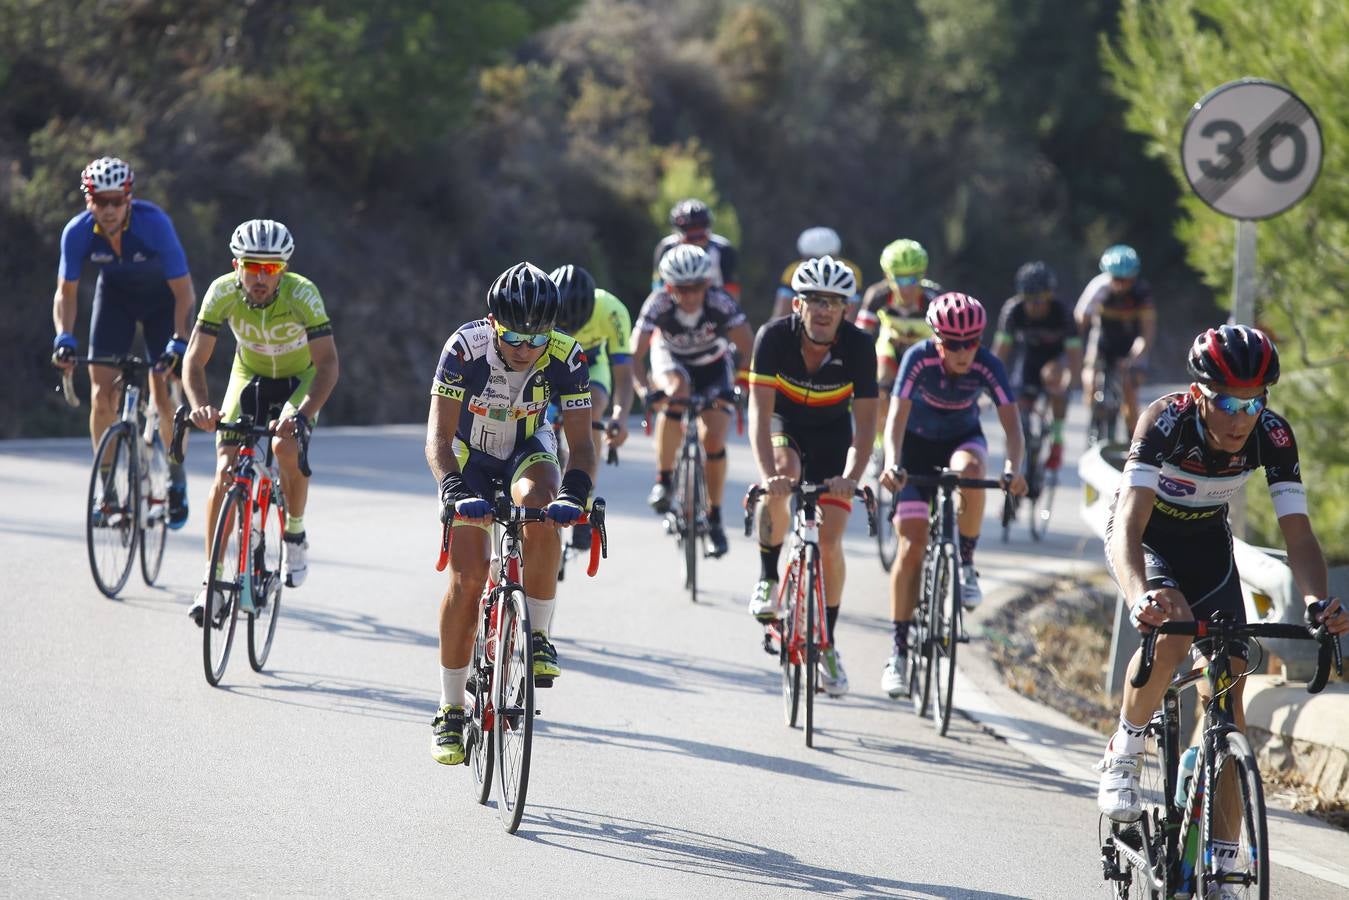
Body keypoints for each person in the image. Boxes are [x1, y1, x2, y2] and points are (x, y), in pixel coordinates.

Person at [1095, 326, 1348, 840]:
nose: (1241, 418)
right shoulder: (1165, 421)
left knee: (1230, 690)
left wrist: (1317, 601)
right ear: (1198, 394)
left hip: (1207, 546)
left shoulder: (1271, 434)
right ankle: (1126, 746)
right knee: (1174, 631)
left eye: (1254, 402)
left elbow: (1298, 536)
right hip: (1147, 539)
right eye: (1228, 402)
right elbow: (1129, 524)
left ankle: (1227, 856)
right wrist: (1139, 596)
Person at [426, 262, 597, 766]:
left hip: (527, 448)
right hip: (468, 456)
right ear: (492, 322)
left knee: (542, 509)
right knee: (469, 576)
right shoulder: (465, 348)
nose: (525, 348)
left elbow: (583, 446)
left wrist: (576, 494)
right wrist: (453, 489)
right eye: (514, 337)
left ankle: (538, 635)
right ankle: (450, 709)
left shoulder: (567, 354)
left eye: (537, 338)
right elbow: (438, 439)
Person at [183, 220, 340, 623]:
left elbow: (327, 365)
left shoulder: (303, 294)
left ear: (283, 269)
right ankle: (212, 580)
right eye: (252, 266)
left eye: (270, 268)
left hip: (298, 381)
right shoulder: (222, 292)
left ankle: (295, 532)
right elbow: (194, 361)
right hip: (249, 376)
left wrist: (301, 415)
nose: (260, 277)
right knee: (225, 470)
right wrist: (201, 407)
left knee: (284, 447)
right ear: (236, 265)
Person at [877, 293, 1027, 696]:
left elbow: (1013, 427)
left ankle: (965, 562)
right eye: (953, 343)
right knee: (911, 546)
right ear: (936, 339)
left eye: (971, 342)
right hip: (915, 447)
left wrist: (1013, 469)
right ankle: (898, 653)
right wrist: (892, 463)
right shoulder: (918, 358)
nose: (963, 352)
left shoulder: (988, 364)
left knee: (973, 472)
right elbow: (895, 419)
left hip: (962, 440)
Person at [747, 256, 878, 697]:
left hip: (833, 436)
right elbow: (759, 416)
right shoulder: (772, 338)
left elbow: (866, 428)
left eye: (834, 302)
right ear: (797, 304)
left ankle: (828, 644)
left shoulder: (859, 347)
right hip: (784, 426)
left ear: (846, 309)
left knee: (832, 540)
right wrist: (768, 475)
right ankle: (768, 577)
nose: (824, 309)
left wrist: (851, 477)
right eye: (815, 300)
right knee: (785, 474)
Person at [50, 157, 197, 527]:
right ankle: (108, 493)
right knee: (102, 397)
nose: (109, 209)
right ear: (89, 200)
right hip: (115, 301)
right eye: (101, 201)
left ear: (129, 198)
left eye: (117, 201)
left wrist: (179, 342)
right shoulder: (77, 232)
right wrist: (64, 337)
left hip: (162, 303)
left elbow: (185, 293)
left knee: (164, 394)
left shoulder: (154, 223)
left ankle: (176, 479)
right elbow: (65, 293)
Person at [632, 243, 754, 558]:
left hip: (713, 364)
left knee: (713, 438)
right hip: (672, 361)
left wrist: (740, 386)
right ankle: (664, 479)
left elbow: (748, 348)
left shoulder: (720, 302)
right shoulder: (658, 304)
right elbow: (633, 356)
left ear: (708, 283)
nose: (689, 296)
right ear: (668, 287)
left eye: (696, 287)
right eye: (681, 289)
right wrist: (644, 391)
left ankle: (714, 518)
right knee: (677, 392)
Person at [547, 264, 634, 551]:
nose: (571, 329)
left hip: (592, 366)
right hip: (550, 365)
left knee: (592, 410)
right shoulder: (544, 302)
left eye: (577, 325)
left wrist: (620, 415)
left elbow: (624, 374)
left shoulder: (612, 311)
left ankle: (584, 495)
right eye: (564, 323)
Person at [992, 261, 1083, 470]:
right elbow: (1000, 352)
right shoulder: (1013, 310)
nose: (1034, 305)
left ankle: (1057, 439)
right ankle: (1015, 464)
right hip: (1029, 360)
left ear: (1050, 295)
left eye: (1040, 299)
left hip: (1056, 359)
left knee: (1055, 380)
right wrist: (990, 382)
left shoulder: (1062, 311)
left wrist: (1070, 382)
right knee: (1017, 407)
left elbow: (1075, 354)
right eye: (1028, 299)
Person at [857, 238, 943, 433]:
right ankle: (881, 440)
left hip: (923, 352)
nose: (906, 288)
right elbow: (860, 337)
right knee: (880, 388)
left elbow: (948, 339)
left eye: (912, 280)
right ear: (887, 276)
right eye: (899, 279)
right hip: (890, 348)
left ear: (922, 275)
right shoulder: (877, 294)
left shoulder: (934, 297)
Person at [1074, 244, 1156, 437]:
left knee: (1129, 388)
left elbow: (1147, 333)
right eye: (1116, 279)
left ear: (1134, 277)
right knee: (1090, 378)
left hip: (1131, 342)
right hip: (1103, 339)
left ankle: (1133, 437)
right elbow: (1080, 320)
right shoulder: (1099, 287)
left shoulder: (1141, 293)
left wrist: (1133, 358)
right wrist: (1076, 348)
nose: (1120, 285)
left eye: (1126, 280)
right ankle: (1094, 415)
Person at [651, 198, 741, 298]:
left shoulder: (723, 249)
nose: (697, 242)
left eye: (701, 236)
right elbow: (658, 288)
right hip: (675, 303)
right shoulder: (665, 248)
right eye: (691, 237)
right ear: (677, 233)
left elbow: (732, 291)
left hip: (715, 303)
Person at [769, 227, 863, 321]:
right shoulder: (851, 270)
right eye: (812, 259)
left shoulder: (793, 270)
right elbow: (851, 315)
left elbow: (781, 313)